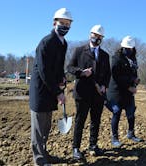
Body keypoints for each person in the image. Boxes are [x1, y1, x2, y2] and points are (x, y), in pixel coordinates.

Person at [29, 8, 72, 165]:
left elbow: (58, 66)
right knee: (39, 129)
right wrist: (58, 92)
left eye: (68, 24)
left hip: (51, 89)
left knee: (46, 127)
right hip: (41, 90)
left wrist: (62, 79)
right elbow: (44, 71)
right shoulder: (46, 42)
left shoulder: (63, 43)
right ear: (55, 22)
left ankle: (44, 154)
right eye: (62, 23)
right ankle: (39, 159)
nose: (65, 26)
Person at [67, 25, 111, 159]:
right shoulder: (79, 50)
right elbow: (69, 67)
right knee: (80, 121)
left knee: (95, 121)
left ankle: (93, 145)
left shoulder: (105, 55)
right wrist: (81, 72)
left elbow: (108, 74)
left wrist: (104, 86)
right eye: (94, 35)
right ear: (89, 35)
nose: (96, 38)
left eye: (99, 36)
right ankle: (76, 148)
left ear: (102, 38)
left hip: (98, 94)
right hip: (82, 93)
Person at [106, 36, 141, 147]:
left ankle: (131, 133)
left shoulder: (133, 59)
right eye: (126, 48)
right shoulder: (116, 58)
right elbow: (116, 76)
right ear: (122, 47)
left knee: (131, 113)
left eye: (130, 48)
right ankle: (115, 138)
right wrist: (129, 85)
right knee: (117, 113)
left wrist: (135, 82)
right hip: (117, 92)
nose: (128, 50)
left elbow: (134, 73)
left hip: (129, 92)